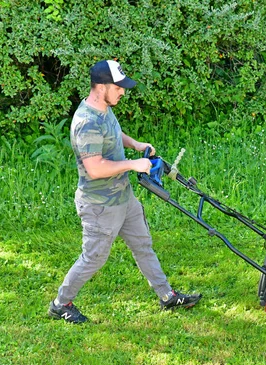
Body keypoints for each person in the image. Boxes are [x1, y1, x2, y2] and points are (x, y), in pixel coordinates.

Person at [48, 59, 201, 323]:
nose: (123, 92)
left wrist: (136, 145)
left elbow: (114, 134)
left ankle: (167, 296)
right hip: (100, 206)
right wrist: (133, 164)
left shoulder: (105, 109)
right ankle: (60, 303)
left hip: (123, 197)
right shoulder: (86, 122)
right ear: (100, 87)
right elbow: (94, 168)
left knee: (143, 245)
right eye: (118, 87)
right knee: (93, 258)